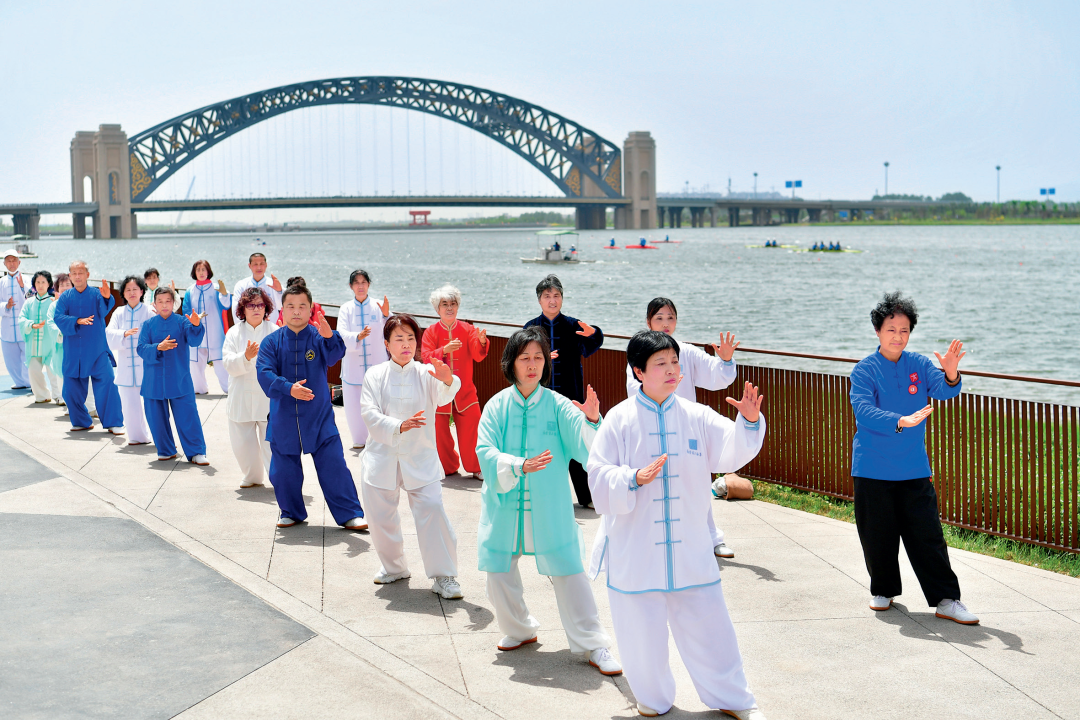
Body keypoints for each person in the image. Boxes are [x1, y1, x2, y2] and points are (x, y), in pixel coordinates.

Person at [588, 331, 768, 720]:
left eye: (675, 362)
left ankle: (735, 699)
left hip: (690, 547)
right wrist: (632, 478)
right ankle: (652, 700)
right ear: (638, 371)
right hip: (637, 549)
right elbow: (597, 476)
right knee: (641, 634)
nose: (672, 370)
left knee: (711, 628)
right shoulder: (619, 420)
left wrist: (750, 421)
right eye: (661, 364)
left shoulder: (695, 415)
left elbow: (732, 447)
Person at [475, 327, 622, 675]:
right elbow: (485, 451)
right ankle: (519, 629)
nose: (532, 365)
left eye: (538, 357)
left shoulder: (558, 405)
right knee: (498, 571)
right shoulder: (497, 406)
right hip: (506, 505)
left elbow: (589, 450)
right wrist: (518, 465)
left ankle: (593, 643)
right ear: (511, 363)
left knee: (569, 572)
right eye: (524, 357)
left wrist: (591, 420)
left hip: (550, 507)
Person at [849, 291, 977, 624]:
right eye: (891, 329)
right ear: (878, 331)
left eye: (904, 330)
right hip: (872, 467)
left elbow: (944, 389)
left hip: (913, 467)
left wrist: (951, 374)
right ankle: (883, 590)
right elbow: (863, 411)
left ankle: (947, 600)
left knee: (928, 536)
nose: (898, 336)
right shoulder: (864, 370)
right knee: (878, 535)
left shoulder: (918, 364)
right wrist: (900, 420)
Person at [625, 298, 741, 559]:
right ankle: (656, 539)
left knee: (696, 484)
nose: (665, 323)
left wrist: (725, 361)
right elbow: (635, 390)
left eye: (670, 318)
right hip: (652, 429)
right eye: (659, 318)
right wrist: (661, 390)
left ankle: (711, 538)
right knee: (656, 487)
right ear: (648, 322)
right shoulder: (640, 352)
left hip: (685, 429)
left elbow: (716, 376)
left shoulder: (686, 352)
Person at [359, 313, 463, 598]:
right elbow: (369, 413)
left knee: (432, 509)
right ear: (386, 344)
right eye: (398, 339)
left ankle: (444, 576)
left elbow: (445, 394)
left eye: (410, 338)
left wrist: (447, 379)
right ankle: (394, 567)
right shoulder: (374, 375)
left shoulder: (426, 372)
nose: (406, 344)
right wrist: (398, 426)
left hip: (420, 456)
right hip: (382, 455)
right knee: (380, 516)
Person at [256, 284, 366, 531]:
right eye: (290, 306)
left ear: (310, 309)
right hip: (283, 416)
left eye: (302, 306)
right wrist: (288, 388)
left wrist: (329, 336)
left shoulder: (319, 337)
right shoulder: (271, 342)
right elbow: (263, 372)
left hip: (319, 417)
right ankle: (291, 512)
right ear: (282, 310)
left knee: (334, 465)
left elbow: (335, 355)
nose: (296, 311)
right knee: (283, 471)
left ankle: (350, 514)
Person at [524, 274, 604, 507]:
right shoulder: (531, 327)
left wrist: (595, 333)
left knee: (576, 445)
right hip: (540, 397)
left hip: (571, 397)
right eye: (547, 296)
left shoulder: (573, 325)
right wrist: (538, 358)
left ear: (562, 298)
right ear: (539, 300)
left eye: (556, 295)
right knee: (542, 447)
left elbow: (591, 346)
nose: (552, 300)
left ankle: (587, 498)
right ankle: (543, 496)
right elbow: (520, 358)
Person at [421, 284, 489, 479]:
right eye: (445, 304)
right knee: (440, 433)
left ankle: (477, 467)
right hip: (439, 392)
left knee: (473, 429)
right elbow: (425, 357)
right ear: (437, 309)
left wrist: (482, 341)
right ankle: (448, 467)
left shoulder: (468, 329)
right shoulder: (431, 332)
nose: (449, 308)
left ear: (458, 306)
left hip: (465, 390)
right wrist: (443, 350)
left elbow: (478, 354)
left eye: (453, 303)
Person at [137, 287, 209, 464]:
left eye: (168, 301)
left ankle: (196, 452)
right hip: (154, 381)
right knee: (156, 418)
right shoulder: (147, 325)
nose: (164, 305)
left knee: (188, 416)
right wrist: (158, 347)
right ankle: (166, 450)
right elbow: (141, 348)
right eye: (160, 301)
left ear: (174, 303)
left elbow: (194, 341)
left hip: (179, 378)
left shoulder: (183, 322)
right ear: (154, 304)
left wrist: (196, 325)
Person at [52, 261, 124, 434]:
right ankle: (81, 421)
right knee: (70, 390)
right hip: (73, 351)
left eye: (81, 272)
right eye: (74, 273)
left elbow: (104, 309)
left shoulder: (96, 294)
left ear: (88, 275)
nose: (78, 276)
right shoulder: (65, 297)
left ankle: (113, 422)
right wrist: (76, 320)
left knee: (107, 382)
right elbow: (58, 317)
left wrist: (107, 297)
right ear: (70, 276)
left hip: (97, 349)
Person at [222, 287, 276, 488]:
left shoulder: (275, 332)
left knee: (272, 443)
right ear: (243, 309)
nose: (256, 309)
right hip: (241, 395)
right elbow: (227, 362)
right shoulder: (234, 332)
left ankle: (277, 479)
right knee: (243, 443)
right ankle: (252, 476)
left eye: (260, 305)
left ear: (266, 308)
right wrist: (245, 357)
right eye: (251, 305)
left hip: (267, 397)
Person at [336, 269, 390, 449]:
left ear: (369, 284)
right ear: (351, 286)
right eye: (356, 282)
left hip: (377, 362)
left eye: (363, 282)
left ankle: (379, 438)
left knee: (379, 402)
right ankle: (359, 439)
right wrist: (357, 337)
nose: (360, 286)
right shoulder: (345, 308)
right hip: (353, 365)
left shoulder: (379, 305)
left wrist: (386, 315)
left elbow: (391, 329)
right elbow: (341, 333)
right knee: (354, 406)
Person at [105, 276, 154, 445]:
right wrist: (123, 334)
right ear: (123, 293)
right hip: (126, 367)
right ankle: (137, 437)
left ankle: (159, 438)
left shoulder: (149, 311)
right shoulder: (119, 312)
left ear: (141, 291)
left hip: (146, 366)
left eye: (135, 289)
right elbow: (109, 333)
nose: (132, 293)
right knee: (129, 405)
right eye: (128, 290)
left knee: (153, 406)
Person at [47, 272, 94, 413]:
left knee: (86, 377)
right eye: (61, 285)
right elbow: (51, 324)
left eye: (68, 284)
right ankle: (72, 407)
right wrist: (64, 332)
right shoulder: (53, 306)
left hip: (81, 348)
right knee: (64, 379)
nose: (65, 287)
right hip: (62, 349)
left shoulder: (81, 303)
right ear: (57, 289)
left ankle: (91, 407)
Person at [182, 260, 231, 395]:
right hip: (196, 332)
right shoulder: (190, 290)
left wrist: (225, 294)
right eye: (198, 270)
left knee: (220, 361)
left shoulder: (216, 288)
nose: (201, 272)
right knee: (195, 362)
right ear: (194, 272)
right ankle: (199, 388)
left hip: (215, 332)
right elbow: (186, 310)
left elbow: (226, 305)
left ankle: (229, 388)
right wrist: (193, 319)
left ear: (208, 271)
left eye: (204, 269)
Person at [18, 270, 59, 403]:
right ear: (34, 284)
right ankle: (42, 395)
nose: (40, 285)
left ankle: (59, 396)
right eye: (38, 282)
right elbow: (21, 318)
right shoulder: (29, 302)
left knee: (53, 371)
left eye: (43, 282)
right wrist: (31, 324)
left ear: (49, 284)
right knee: (34, 371)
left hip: (50, 344)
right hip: (33, 345)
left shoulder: (53, 302)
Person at [2, 250, 30, 389]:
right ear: (4, 263)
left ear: (19, 262)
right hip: (7, 327)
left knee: (28, 356)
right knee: (10, 358)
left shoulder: (27, 279)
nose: (12, 263)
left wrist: (22, 286)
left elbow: (33, 297)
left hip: (24, 326)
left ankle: (30, 382)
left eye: (14, 260)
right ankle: (19, 382)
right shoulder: (1, 282)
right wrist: (5, 306)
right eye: (9, 260)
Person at [232, 253, 283, 325]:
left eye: (262, 264)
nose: (259, 267)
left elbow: (281, 306)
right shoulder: (241, 285)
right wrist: (242, 325)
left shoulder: (273, 284)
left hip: (270, 326)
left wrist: (279, 291)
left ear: (266, 265)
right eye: (255, 264)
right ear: (249, 265)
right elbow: (236, 308)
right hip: (247, 327)